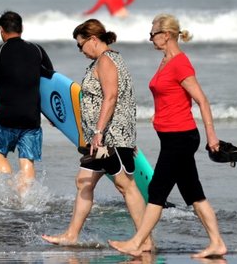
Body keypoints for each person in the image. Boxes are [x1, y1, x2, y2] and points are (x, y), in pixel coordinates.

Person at [109, 14, 228, 258]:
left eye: (152, 34)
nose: (150, 38)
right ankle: (217, 243)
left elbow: (202, 100)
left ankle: (138, 242)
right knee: (194, 194)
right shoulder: (166, 61)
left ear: (167, 35)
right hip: (171, 137)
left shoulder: (180, 63)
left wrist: (212, 137)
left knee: (157, 190)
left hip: (181, 137)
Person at [41, 19, 153, 251]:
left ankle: (145, 242)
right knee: (83, 182)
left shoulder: (106, 60)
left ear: (93, 39)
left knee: (126, 186)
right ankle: (72, 234)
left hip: (110, 137)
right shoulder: (105, 61)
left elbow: (111, 97)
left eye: (80, 45)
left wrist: (99, 132)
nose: (80, 51)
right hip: (102, 139)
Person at [0, 11, 53, 195]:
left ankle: (11, 184)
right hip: (31, 120)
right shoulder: (37, 50)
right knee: (27, 161)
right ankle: (25, 198)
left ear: (1, 30)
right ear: (22, 28)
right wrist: (53, 115)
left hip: (6, 119)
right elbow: (50, 83)